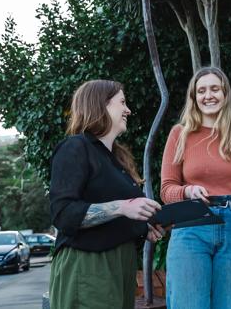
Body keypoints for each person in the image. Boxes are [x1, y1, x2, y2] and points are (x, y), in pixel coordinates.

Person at [49, 80, 165, 309]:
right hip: (89, 265)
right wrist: (123, 207)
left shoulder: (115, 159)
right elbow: (63, 214)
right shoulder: (75, 147)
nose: (128, 110)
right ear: (101, 105)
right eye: (122, 102)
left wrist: (145, 226)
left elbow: (114, 217)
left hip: (121, 265)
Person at [161, 66, 231, 309]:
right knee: (187, 303)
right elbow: (167, 190)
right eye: (201, 90)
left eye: (215, 89)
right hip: (191, 225)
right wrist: (187, 191)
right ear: (194, 97)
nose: (208, 95)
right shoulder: (180, 134)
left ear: (225, 94)